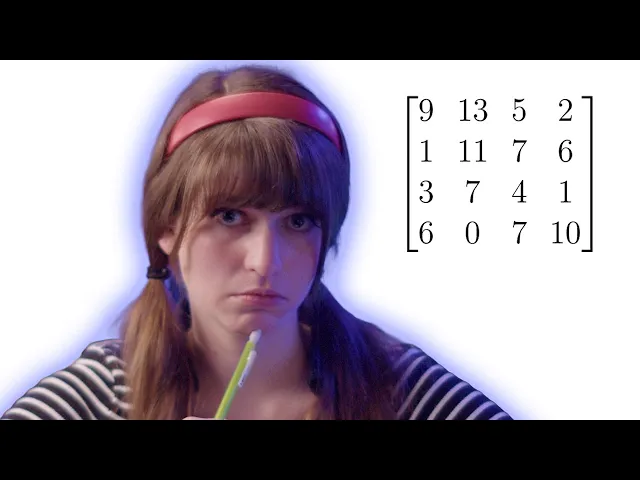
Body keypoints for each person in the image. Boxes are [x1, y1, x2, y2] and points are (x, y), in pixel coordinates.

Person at [1, 64, 512, 420]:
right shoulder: (99, 398)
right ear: (166, 229)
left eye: (298, 221)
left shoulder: (401, 392)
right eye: (230, 217)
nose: (265, 262)